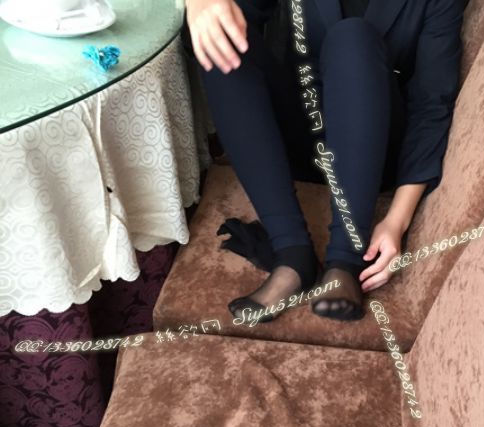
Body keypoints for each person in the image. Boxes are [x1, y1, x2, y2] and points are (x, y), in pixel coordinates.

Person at [184, 0, 467, 322]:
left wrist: (396, 222)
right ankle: (292, 255)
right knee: (217, 27)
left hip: (369, 151)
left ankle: (345, 260)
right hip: (300, 136)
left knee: (352, 36)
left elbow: (431, 106)